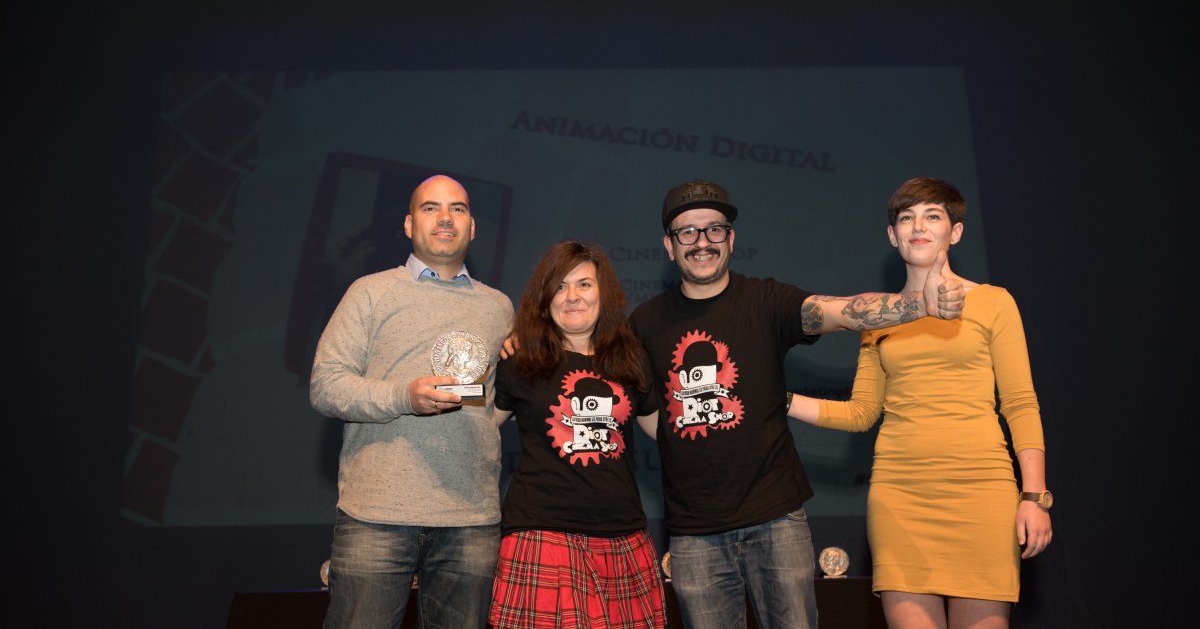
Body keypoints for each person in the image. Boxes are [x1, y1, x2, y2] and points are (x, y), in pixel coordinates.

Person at [626, 179, 965, 629]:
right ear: (669, 246)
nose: (701, 242)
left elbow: (842, 311)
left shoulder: (766, 300)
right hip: (693, 532)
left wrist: (918, 305)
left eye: (714, 229)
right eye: (687, 232)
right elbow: (648, 414)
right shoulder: (645, 321)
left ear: (731, 239)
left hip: (776, 519)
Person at [787, 177, 1051, 629]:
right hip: (900, 497)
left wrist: (1034, 496)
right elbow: (861, 413)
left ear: (956, 232)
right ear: (893, 236)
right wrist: (781, 400)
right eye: (906, 218)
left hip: (982, 491)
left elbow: (1021, 403)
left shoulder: (993, 303)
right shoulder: (877, 316)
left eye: (933, 216)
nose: (918, 226)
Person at [310, 174, 514, 629]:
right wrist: (405, 396)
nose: (445, 218)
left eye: (457, 209)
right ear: (407, 224)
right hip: (377, 514)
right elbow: (326, 385)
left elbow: (491, 404)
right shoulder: (369, 292)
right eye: (430, 208)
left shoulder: (499, 307)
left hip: (471, 517)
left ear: (473, 226)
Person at [490, 240, 666, 629]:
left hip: (622, 538)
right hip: (541, 535)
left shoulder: (630, 359)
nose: (572, 297)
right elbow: (477, 429)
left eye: (584, 284)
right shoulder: (521, 360)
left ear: (604, 293)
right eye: (561, 286)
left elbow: (667, 432)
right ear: (545, 298)